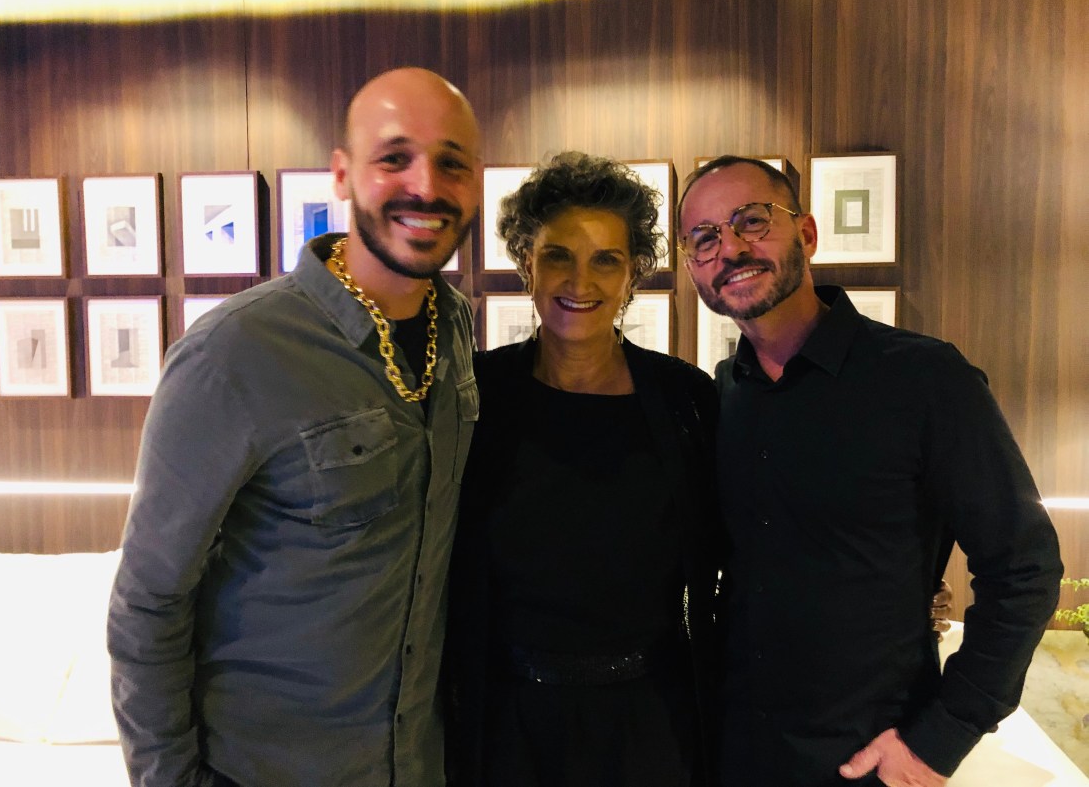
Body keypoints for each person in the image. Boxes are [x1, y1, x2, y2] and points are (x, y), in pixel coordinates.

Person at [107, 67, 483, 787]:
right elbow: (149, 600)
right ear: (342, 174)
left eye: (452, 163)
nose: (426, 185)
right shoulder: (234, 353)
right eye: (394, 157)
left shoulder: (456, 325)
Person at [678, 155, 1063, 787]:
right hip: (735, 749)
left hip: (870, 759)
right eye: (705, 237)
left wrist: (941, 739)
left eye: (752, 220)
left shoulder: (924, 379)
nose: (731, 249)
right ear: (694, 266)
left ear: (806, 233)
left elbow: (1024, 568)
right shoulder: (723, 393)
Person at [446, 152, 720, 787]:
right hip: (504, 725)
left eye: (606, 260)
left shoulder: (685, 400)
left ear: (634, 274)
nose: (580, 280)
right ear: (526, 264)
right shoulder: (476, 395)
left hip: (650, 724)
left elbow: (745, 540)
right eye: (558, 256)